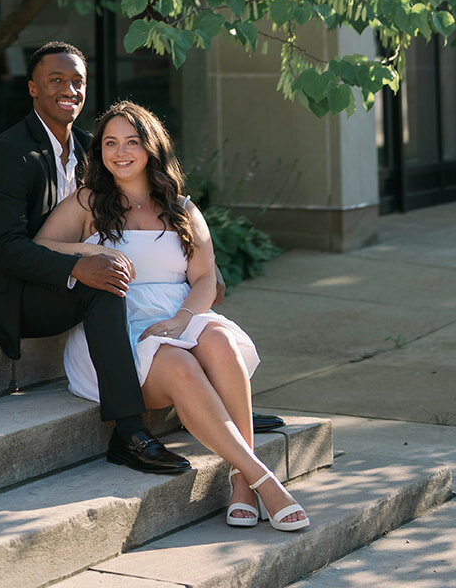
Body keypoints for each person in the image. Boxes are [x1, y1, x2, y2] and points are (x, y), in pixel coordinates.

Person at [34, 100, 309, 532]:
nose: (120, 152)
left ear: (151, 148)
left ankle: (241, 481)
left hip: (181, 315)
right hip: (118, 329)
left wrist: (183, 320)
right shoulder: (89, 201)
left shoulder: (180, 207)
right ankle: (264, 479)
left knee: (218, 340)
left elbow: (204, 280)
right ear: (100, 151)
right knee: (180, 363)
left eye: (132, 142)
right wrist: (92, 249)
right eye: (109, 143)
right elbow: (41, 246)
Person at [0, 42, 190, 474]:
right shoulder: (11, 153)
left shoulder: (90, 148)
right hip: (13, 296)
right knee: (104, 286)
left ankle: (213, 402)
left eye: (77, 81)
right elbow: (5, 247)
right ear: (32, 89)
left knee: (158, 274)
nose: (69, 89)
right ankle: (129, 432)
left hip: (62, 279)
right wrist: (78, 265)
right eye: (56, 80)